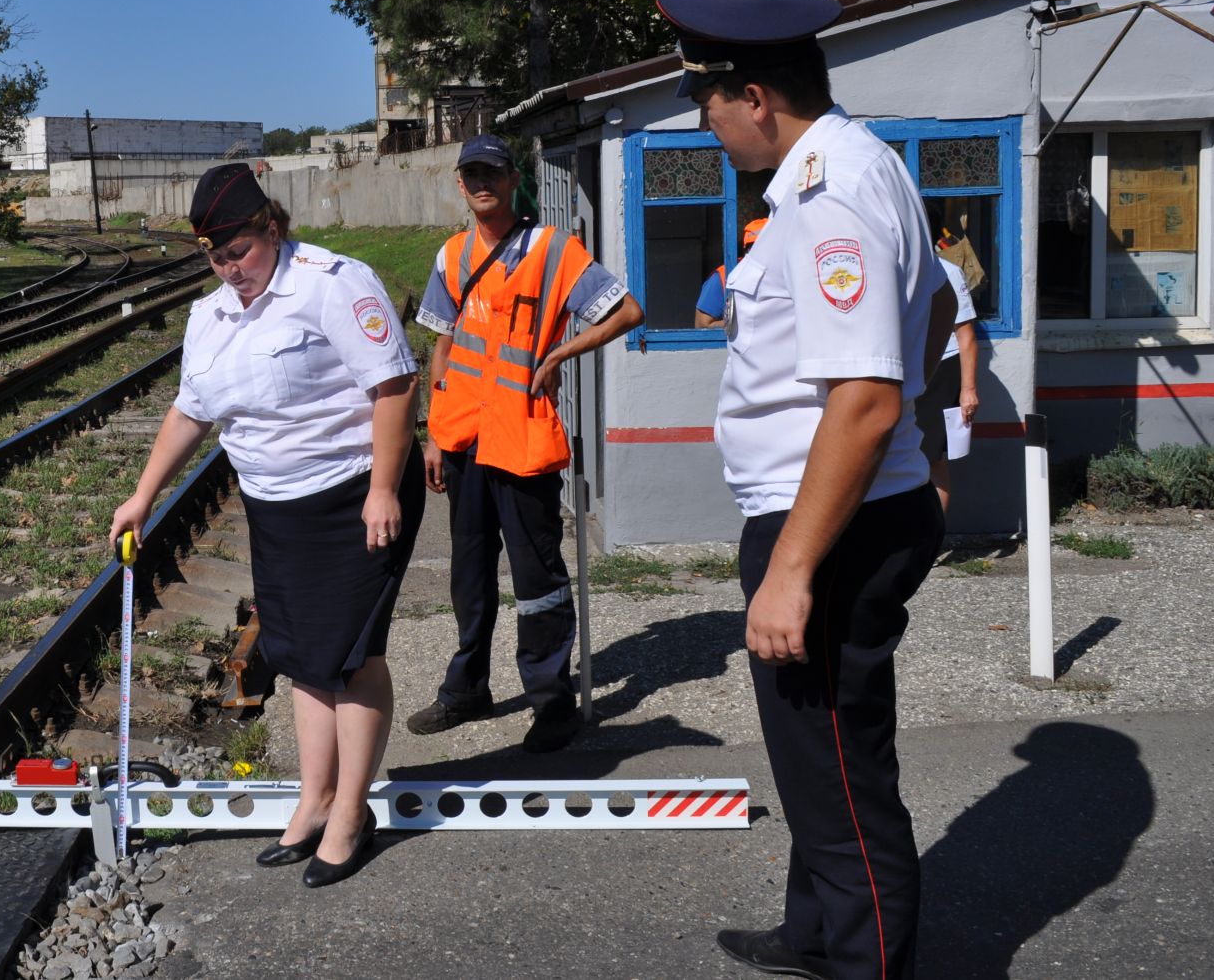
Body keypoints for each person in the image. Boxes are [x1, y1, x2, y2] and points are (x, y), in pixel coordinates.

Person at [656, 0, 956, 980]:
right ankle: (815, 930)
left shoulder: (834, 195)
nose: (704, 119)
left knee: (841, 779)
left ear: (754, 94)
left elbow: (867, 399)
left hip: (830, 528)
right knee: (812, 758)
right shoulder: (838, 177)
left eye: (707, 99)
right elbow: (923, 318)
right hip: (840, 513)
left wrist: (791, 569)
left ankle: (864, 955)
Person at [108, 163, 422, 888]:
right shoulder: (210, 314)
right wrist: (143, 494)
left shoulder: (333, 282)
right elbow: (191, 409)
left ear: (271, 227)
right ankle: (313, 800)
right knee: (298, 653)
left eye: (239, 252)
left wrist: (382, 488)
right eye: (215, 258)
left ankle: (352, 813)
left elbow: (395, 385)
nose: (229, 269)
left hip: (352, 496)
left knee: (348, 654)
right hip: (275, 505)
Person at [405, 133, 643, 754]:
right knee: (469, 573)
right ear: (461, 184)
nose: (483, 183)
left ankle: (552, 704)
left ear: (514, 179)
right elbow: (444, 342)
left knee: (538, 577)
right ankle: (467, 691)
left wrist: (562, 350)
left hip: (522, 439)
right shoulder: (452, 254)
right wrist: (432, 433)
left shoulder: (553, 249)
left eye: (494, 172)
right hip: (461, 439)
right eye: (472, 174)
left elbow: (625, 313)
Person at [913, 255, 979, 517]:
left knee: (930, 457)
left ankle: (933, 539)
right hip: (901, 369)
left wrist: (968, 390)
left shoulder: (946, 271)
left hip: (941, 367)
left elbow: (966, 336)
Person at [695, 218, 769, 327]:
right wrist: (741, 322)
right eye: (752, 247)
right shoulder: (723, 276)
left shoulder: (791, 273)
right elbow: (702, 326)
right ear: (745, 250)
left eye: (765, 247)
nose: (759, 253)